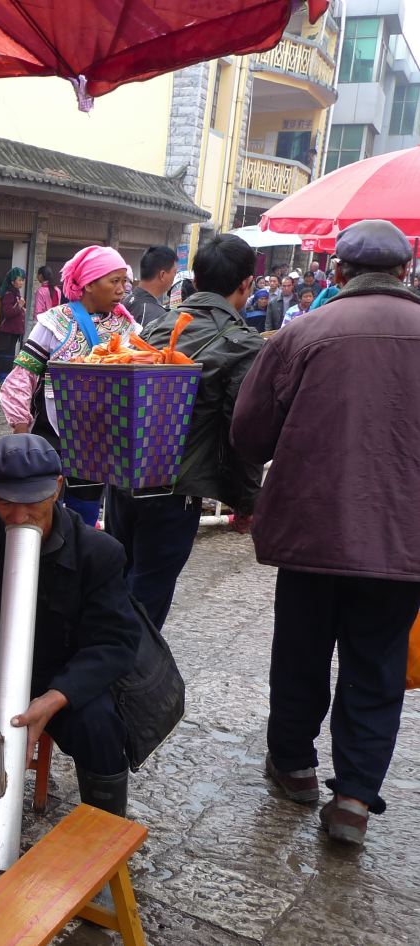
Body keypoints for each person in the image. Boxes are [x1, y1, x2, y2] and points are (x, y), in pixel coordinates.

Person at [230, 220, 420, 847]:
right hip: (403, 539)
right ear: (404, 272)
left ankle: (294, 766)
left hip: (312, 530)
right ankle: (354, 801)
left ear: (337, 273)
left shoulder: (303, 332)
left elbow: (249, 434)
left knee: (301, 650)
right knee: (378, 664)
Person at [0, 434, 142, 859]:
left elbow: (114, 641)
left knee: (101, 723)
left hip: (64, 678)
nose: (18, 515)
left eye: (32, 502)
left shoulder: (99, 553)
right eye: (4, 502)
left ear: (56, 488)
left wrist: (56, 697)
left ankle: (104, 841)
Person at [104, 234, 264, 631]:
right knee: (148, 595)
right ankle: (129, 667)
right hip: (176, 491)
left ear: (195, 279)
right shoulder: (243, 343)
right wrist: (247, 500)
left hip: (124, 480)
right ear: (246, 284)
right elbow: (241, 430)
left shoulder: (157, 325)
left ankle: (103, 658)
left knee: (117, 585)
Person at [0, 245, 136, 526]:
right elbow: (22, 377)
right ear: (89, 284)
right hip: (52, 437)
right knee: (43, 514)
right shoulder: (55, 322)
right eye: (114, 281)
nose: (121, 289)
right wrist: (22, 434)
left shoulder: (126, 328)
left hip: (99, 444)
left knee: (84, 517)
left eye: (124, 281)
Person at [123, 245, 177, 327]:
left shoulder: (126, 300)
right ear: (162, 275)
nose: (174, 277)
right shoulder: (156, 315)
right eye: (174, 272)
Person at [0, 267, 26, 385]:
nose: (21, 282)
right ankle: (2, 378)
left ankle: (5, 378)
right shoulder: (9, 294)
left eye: (22, 280)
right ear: (12, 281)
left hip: (13, 330)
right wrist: (19, 306)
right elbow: (7, 312)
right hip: (8, 330)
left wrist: (21, 309)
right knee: (5, 355)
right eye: (19, 280)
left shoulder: (15, 293)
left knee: (9, 355)